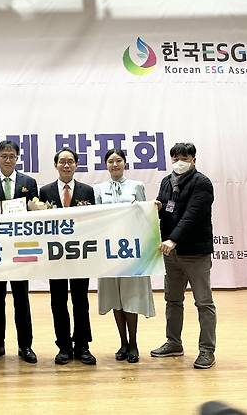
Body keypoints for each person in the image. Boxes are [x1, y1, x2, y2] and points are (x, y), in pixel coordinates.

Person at [151, 142, 217, 369]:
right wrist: (154, 208)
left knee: (204, 302)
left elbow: (192, 215)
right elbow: (165, 210)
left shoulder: (202, 183)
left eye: (184, 157)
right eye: (176, 158)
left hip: (195, 252)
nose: (180, 162)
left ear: (193, 160)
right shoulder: (166, 181)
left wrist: (173, 239)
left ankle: (207, 350)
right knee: (172, 299)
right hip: (171, 254)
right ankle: (173, 342)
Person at [0, 140, 38, 364]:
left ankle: (26, 346)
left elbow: (36, 216)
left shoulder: (28, 182)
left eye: (12, 156)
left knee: (22, 298)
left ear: (18, 158)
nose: (8, 160)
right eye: (4, 156)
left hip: (21, 249)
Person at [93, 148, 155, 364]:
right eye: (110, 161)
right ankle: (122, 342)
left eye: (118, 160)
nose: (115, 164)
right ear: (106, 165)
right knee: (115, 297)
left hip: (132, 250)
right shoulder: (98, 189)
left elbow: (145, 216)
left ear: (125, 163)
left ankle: (134, 343)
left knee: (131, 296)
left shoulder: (136, 186)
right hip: (109, 251)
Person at [39, 147, 96, 365]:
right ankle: (63, 345)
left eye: (70, 161)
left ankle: (82, 345)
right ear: (56, 165)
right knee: (58, 301)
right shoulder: (45, 192)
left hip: (79, 254)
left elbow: (93, 223)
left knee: (81, 301)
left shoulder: (87, 191)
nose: (66, 165)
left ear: (76, 165)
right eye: (62, 161)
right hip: (55, 256)